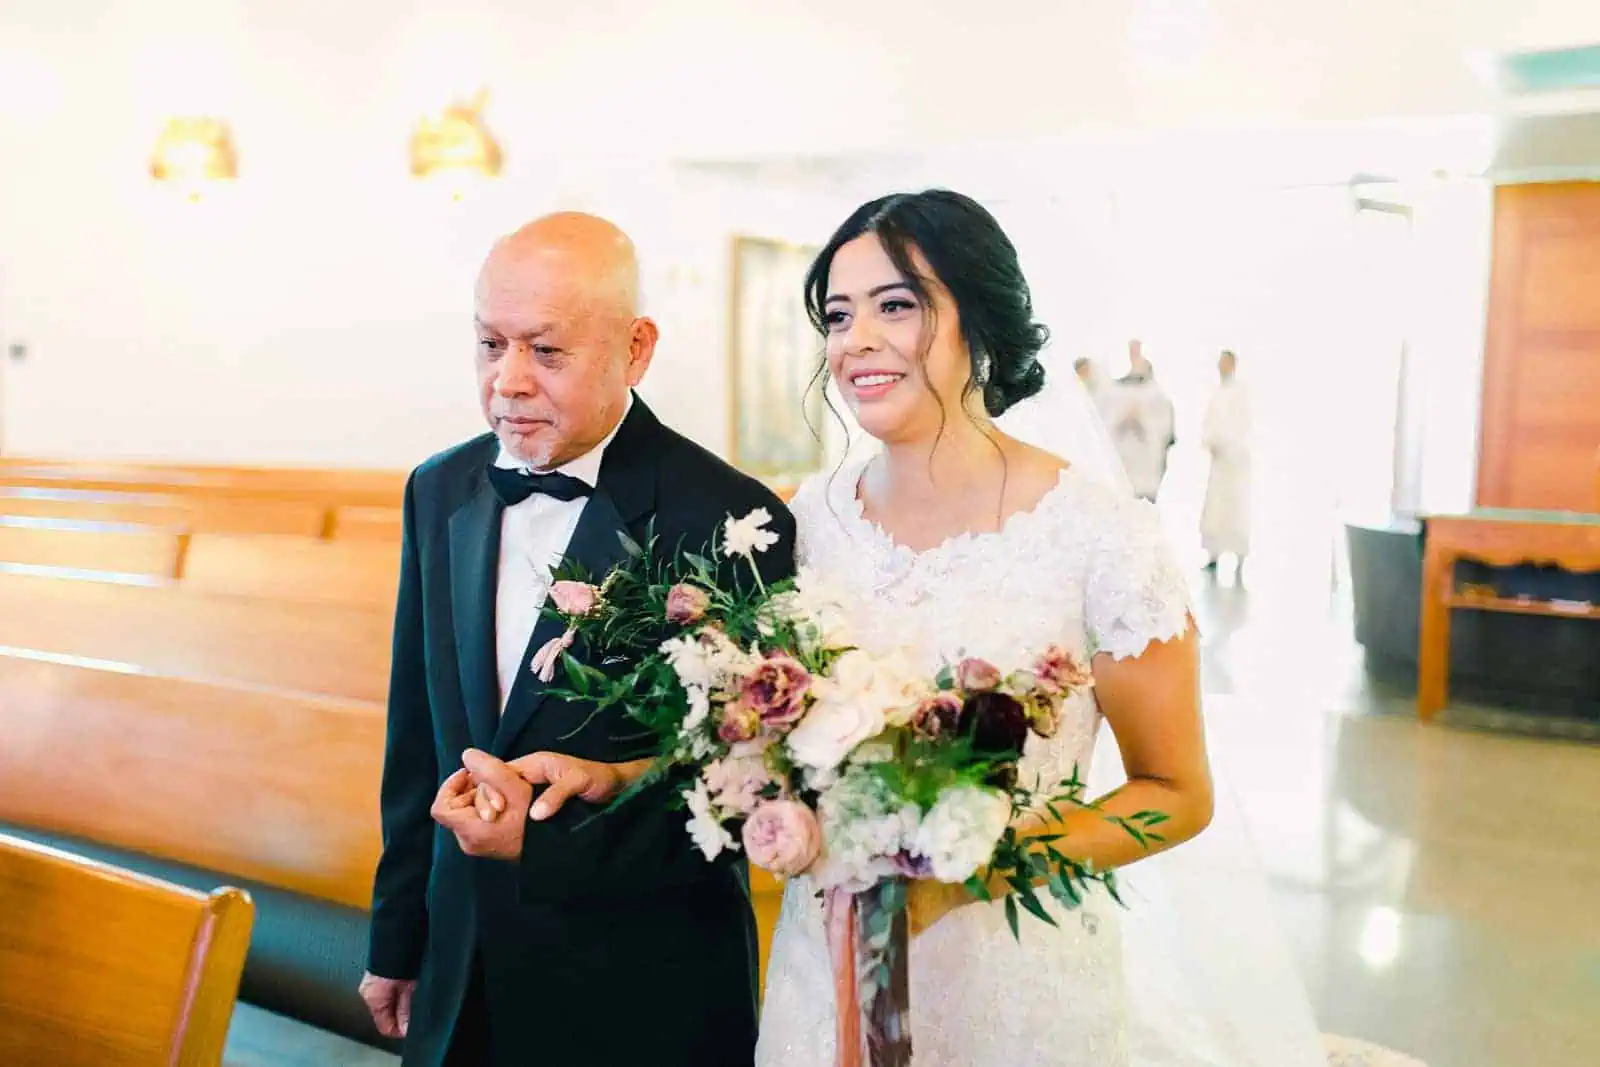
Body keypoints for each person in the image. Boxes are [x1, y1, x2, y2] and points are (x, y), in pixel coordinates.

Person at [745, 190, 1423, 1067]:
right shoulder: (804, 524)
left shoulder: (1099, 534)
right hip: (825, 971)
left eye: (897, 305)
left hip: (1021, 981)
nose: (856, 339)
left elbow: (1176, 792)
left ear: (978, 323)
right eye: (838, 315)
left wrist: (984, 870)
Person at [360, 212, 795, 1067]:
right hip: (462, 965)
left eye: (545, 351)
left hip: (639, 990)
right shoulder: (439, 487)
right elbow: (418, 732)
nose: (508, 383)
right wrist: (399, 934)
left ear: (636, 349)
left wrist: (551, 845)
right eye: (490, 345)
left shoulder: (732, 521)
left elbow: (748, 787)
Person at [1200, 350, 1252, 575]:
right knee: (1215, 510)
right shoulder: (1216, 392)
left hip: (1234, 461)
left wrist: (1226, 443)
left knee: (1235, 508)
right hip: (1219, 461)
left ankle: (1239, 556)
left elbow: (1242, 425)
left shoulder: (1240, 393)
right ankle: (1214, 553)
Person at [1106, 339, 1176, 502]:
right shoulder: (1116, 392)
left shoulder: (1157, 395)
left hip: (1145, 470)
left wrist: (1141, 421)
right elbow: (1103, 423)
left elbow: (1164, 431)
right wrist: (1123, 418)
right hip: (1120, 466)